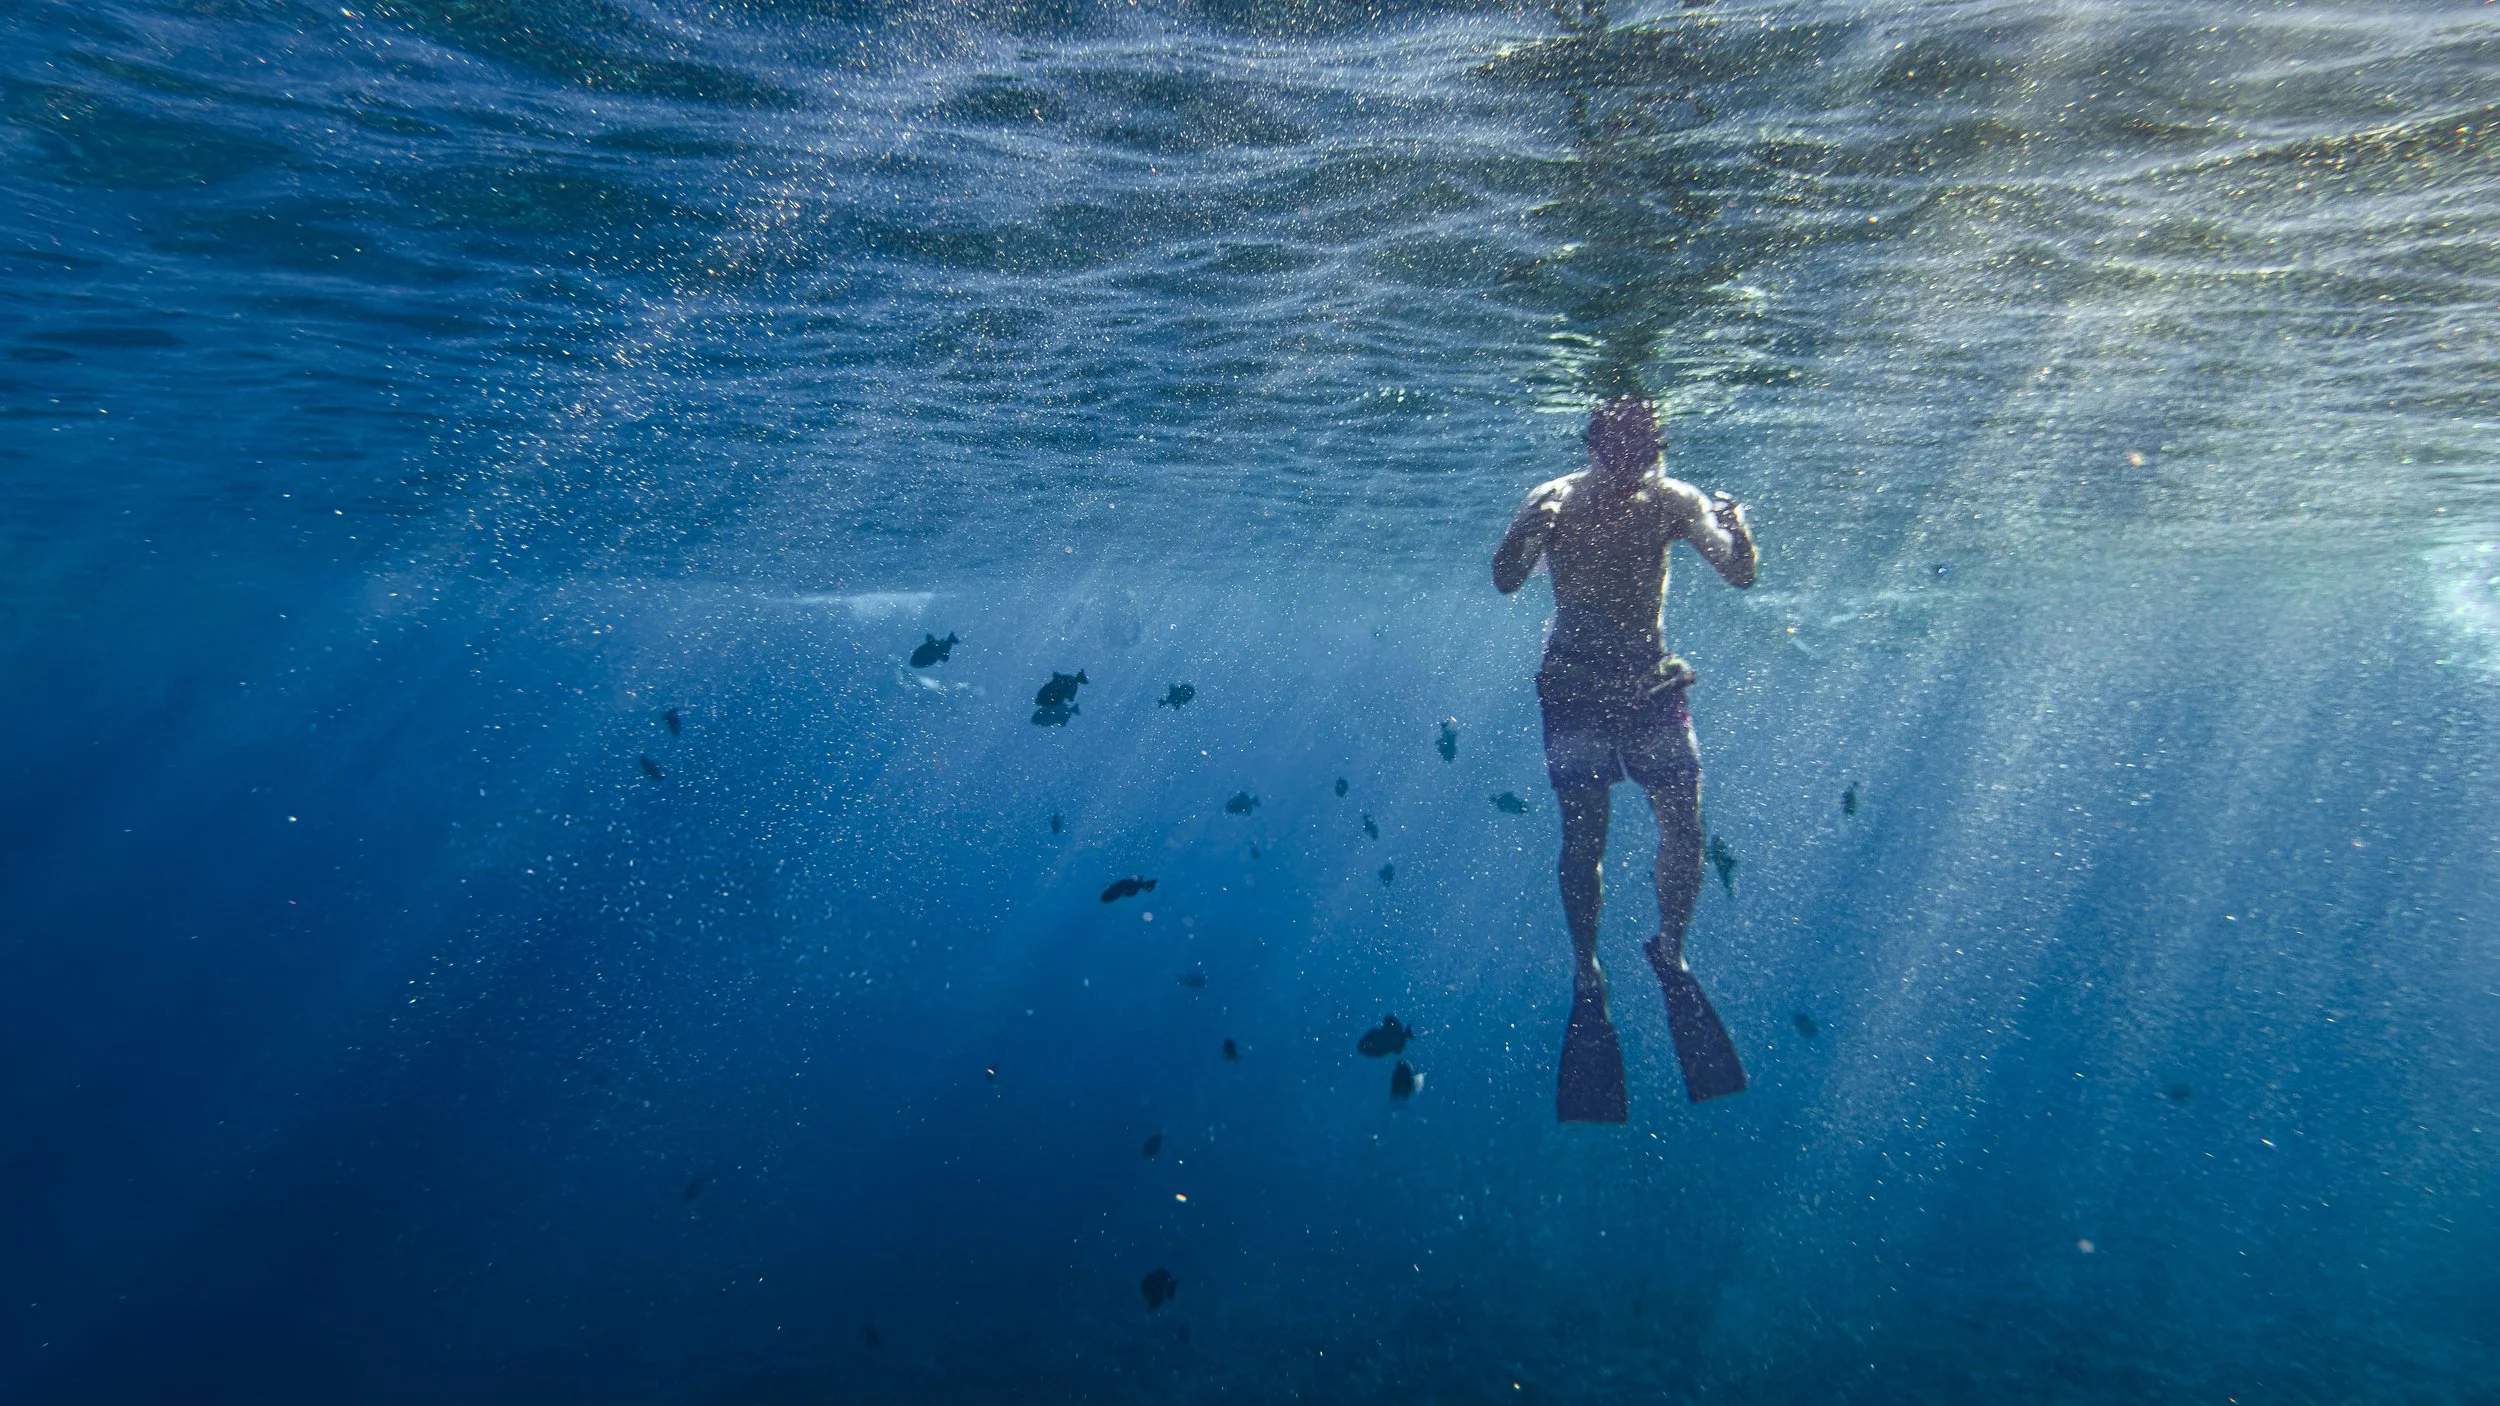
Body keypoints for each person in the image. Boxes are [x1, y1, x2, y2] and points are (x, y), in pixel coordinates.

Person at [1492, 395, 1757, 1121]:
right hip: (1574, 684)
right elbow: (1506, 579)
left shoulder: (1673, 498)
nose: (1632, 468)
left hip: (1648, 679)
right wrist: (1526, 532)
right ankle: (1587, 970)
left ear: (1656, 449)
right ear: (1594, 445)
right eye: (1622, 453)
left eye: (1646, 454)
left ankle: (1668, 949)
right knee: (1586, 836)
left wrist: (1739, 530)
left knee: (1687, 825)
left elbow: (1737, 574)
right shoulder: (1553, 499)